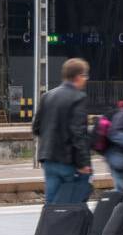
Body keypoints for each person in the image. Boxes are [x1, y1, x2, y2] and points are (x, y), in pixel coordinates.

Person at [32, 58, 93, 203]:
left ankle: (48, 225)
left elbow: (36, 127)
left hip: (48, 159)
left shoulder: (47, 96)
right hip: (68, 161)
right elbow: (78, 133)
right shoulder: (78, 97)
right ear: (78, 76)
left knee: (51, 203)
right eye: (85, 76)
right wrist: (84, 163)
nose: (86, 79)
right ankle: (70, 225)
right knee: (71, 203)